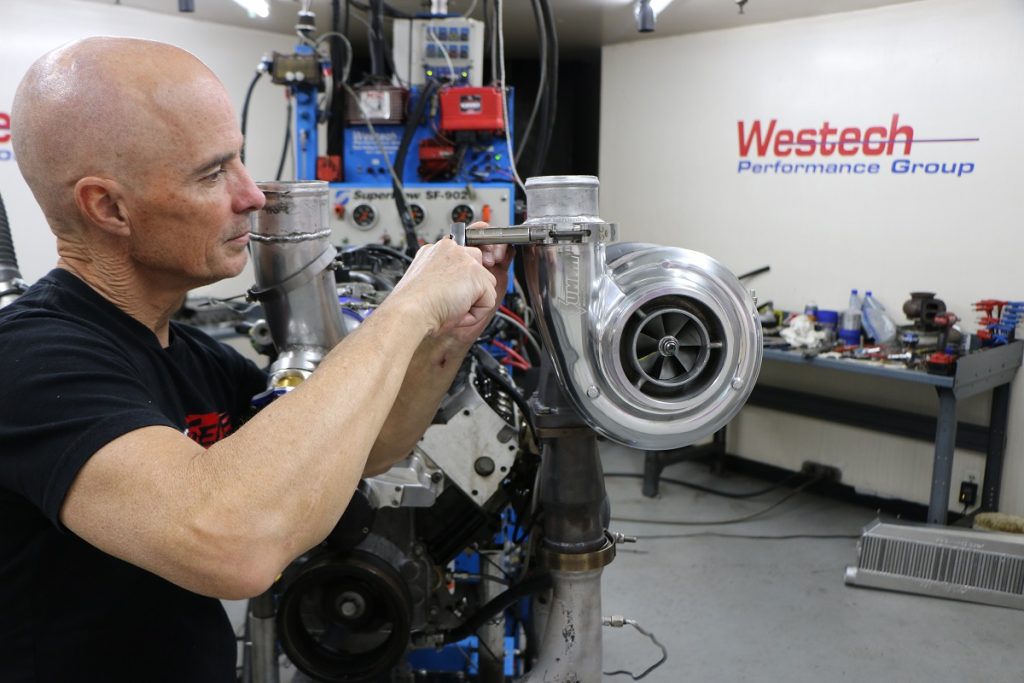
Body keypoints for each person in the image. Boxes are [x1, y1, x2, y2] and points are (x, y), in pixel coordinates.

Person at [0, 37, 511, 681]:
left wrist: (444, 335)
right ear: (108, 207)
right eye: (213, 174)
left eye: (240, 160)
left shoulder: (189, 354)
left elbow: (365, 445)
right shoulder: (31, 360)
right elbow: (232, 544)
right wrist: (404, 310)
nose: (253, 196)